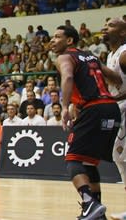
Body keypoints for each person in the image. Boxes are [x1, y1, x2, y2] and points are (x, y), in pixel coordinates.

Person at [51, 25, 122, 220]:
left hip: (93, 109)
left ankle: (89, 203)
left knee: (72, 160)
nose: (52, 41)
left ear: (70, 41)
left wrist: (65, 107)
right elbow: (116, 78)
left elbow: (68, 77)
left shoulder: (65, 57)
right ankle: (96, 211)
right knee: (89, 163)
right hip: (111, 109)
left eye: (57, 37)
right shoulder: (91, 57)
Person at [102, 17, 126, 219]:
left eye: (110, 25)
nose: (105, 27)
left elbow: (118, 83)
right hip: (118, 109)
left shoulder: (124, 55)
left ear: (123, 33)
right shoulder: (111, 54)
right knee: (119, 157)